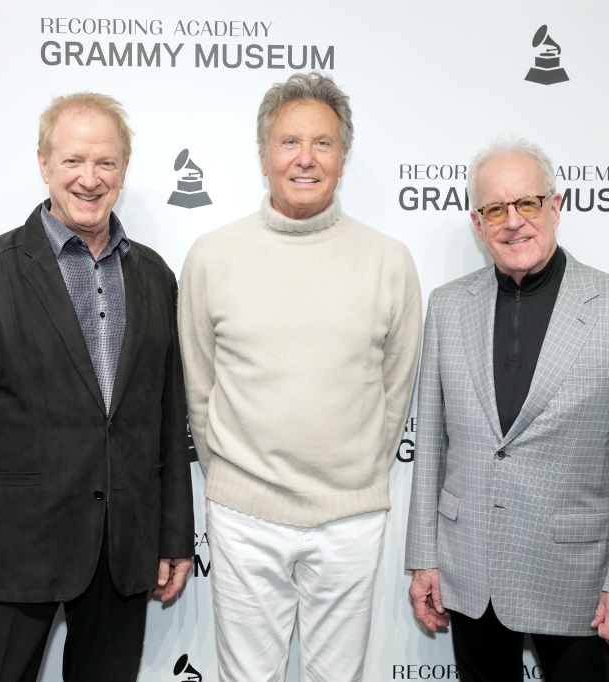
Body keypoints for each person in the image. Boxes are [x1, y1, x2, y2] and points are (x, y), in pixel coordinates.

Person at [0, 92, 194, 681]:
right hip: (10, 555)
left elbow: (169, 421)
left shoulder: (154, 276)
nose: (89, 179)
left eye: (106, 163)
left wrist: (174, 535)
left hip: (121, 554)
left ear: (123, 170)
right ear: (43, 164)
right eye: (72, 161)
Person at [179, 71, 422, 682]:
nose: (306, 159)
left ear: (343, 157)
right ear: (264, 156)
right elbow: (200, 385)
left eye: (323, 143)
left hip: (351, 518)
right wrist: (235, 477)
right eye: (290, 143)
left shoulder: (389, 262)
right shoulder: (212, 255)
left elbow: (396, 389)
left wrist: (360, 474)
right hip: (243, 514)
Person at [405, 137, 609, 682]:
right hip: (470, 571)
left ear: (555, 207)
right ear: (478, 225)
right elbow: (430, 443)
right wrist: (423, 557)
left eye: (527, 203)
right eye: (494, 209)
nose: (513, 222)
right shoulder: (448, 305)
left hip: (578, 582)